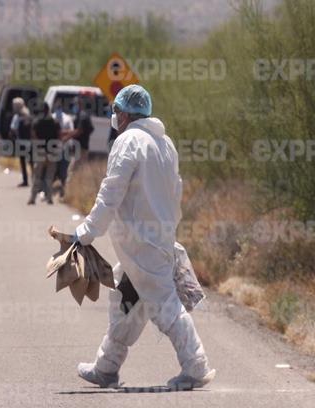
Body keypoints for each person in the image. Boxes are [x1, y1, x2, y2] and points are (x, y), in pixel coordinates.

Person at [74, 85, 216, 390]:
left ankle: (195, 366)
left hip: (141, 243)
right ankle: (106, 367)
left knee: (165, 303)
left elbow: (111, 193)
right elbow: (175, 192)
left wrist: (85, 233)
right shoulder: (165, 143)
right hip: (154, 239)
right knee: (126, 300)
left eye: (115, 112)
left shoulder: (128, 142)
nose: (114, 117)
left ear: (124, 114)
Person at [28, 102, 60, 205]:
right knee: (49, 177)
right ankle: (49, 198)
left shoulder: (37, 122)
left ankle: (32, 198)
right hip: (52, 152)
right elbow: (59, 136)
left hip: (40, 151)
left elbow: (33, 136)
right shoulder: (55, 122)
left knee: (37, 176)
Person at [65, 96, 94, 180]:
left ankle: (69, 188)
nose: (74, 106)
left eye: (75, 105)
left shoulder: (82, 116)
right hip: (82, 146)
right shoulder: (83, 115)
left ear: (79, 104)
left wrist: (66, 137)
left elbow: (79, 131)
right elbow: (91, 129)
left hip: (80, 147)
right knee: (81, 168)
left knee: (72, 169)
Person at [52, 101, 74, 200]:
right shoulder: (52, 117)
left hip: (65, 148)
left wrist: (62, 135)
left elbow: (71, 131)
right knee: (53, 169)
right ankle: (51, 191)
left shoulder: (67, 119)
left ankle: (62, 191)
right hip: (53, 148)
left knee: (63, 170)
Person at [9, 97, 32, 187]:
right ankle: (34, 179)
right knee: (31, 162)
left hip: (21, 142)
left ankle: (25, 180)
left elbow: (13, 128)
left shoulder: (17, 116)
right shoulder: (28, 113)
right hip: (30, 142)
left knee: (23, 162)